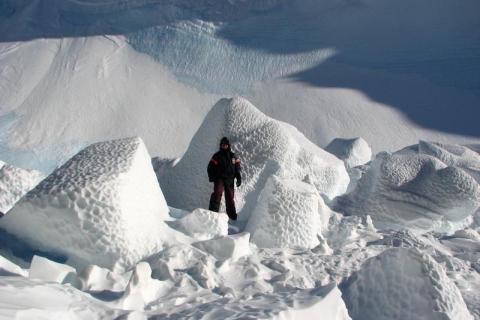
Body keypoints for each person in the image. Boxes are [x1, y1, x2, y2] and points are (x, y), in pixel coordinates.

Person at [207, 137, 242, 220]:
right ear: (220, 145)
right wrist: (212, 177)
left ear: (228, 145)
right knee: (217, 195)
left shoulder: (233, 156)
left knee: (230, 198)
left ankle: (232, 217)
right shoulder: (217, 156)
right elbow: (210, 167)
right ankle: (212, 214)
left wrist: (238, 177)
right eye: (223, 144)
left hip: (230, 180)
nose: (224, 146)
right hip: (220, 179)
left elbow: (237, 167)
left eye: (226, 144)